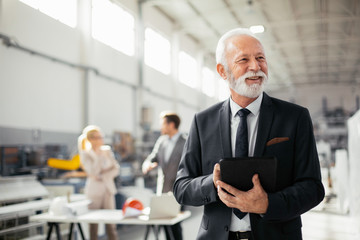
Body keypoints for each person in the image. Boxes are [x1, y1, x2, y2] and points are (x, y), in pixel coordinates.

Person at [173, 28, 325, 240]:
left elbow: (313, 187)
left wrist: (268, 204)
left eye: (260, 58)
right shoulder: (203, 121)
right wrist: (212, 182)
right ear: (222, 71)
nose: (256, 67)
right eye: (243, 59)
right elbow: (181, 187)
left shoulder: (294, 117)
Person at [142, 112, 186, 240]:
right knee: (165, 224)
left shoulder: (185, 142)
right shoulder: (161, 141)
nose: (161, 128)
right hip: (162, 189)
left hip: (178, 190)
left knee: (175, 225)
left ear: (171, 125)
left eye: (163, 124)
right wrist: (147, 164)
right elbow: (153, 157)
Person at [78, 125, 120, 240]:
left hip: (108, 190)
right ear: (92, 139)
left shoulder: (107, 150)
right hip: (94, 192)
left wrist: (103, 175)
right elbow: (93, 171)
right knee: (93, 224)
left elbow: (116, 169)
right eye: (99, 137)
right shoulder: (85, 154)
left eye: (102, 137)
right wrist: (99, 156)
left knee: (111, 224)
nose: (102, 139)